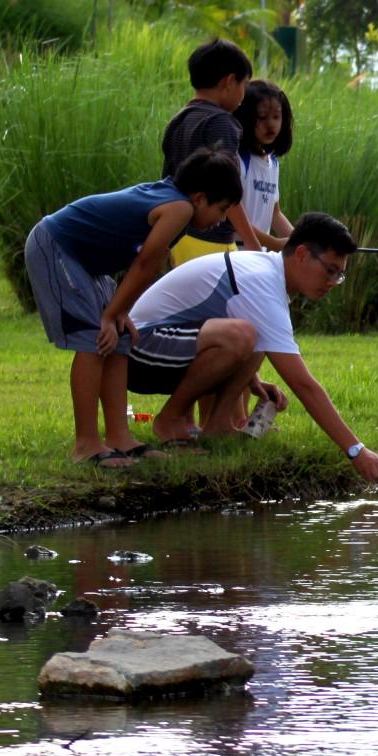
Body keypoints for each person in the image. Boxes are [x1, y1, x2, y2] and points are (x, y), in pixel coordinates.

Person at [127, 212, 378, 483]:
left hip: (166, 345)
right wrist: (356, 450)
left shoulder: (268, 273)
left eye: (340, 275)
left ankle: (218, 426)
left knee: (255, 335)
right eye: (330, 270)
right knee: (242, 335)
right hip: (138, 351)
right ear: (301, 254)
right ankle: (170, 420)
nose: (333, 282)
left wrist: (254, 381)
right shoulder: (263, 282)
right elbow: (303, 385)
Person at [24, 151, 243, 469]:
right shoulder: (179, 208)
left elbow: (143, 263)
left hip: (87, 263)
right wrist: (111, 314)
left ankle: (119, 438)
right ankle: (85, 444)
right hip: (57, 245)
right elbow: (145, 263)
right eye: (221, 210)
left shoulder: (176, 202)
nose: (222, 220)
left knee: (121, 337)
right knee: (94, 339)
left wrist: (119, 312)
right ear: (199, 198)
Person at [162, 39, 263, 265]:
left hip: (176, 234)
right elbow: (227, 188)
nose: (243, 93)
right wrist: (253, 244)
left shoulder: (178, 121)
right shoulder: (221, 123)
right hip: (210, 239)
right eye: (243, 84)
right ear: (229, 81)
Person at [231, 79, 294, 250]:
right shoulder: (237, 160)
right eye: (262, 117)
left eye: (276, 116)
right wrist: (273, 243)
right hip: (234, 252)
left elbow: (275, 214)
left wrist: (298, 241)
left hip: (258, 254)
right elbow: (231, 215)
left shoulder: (273, 163)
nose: (270, 124)